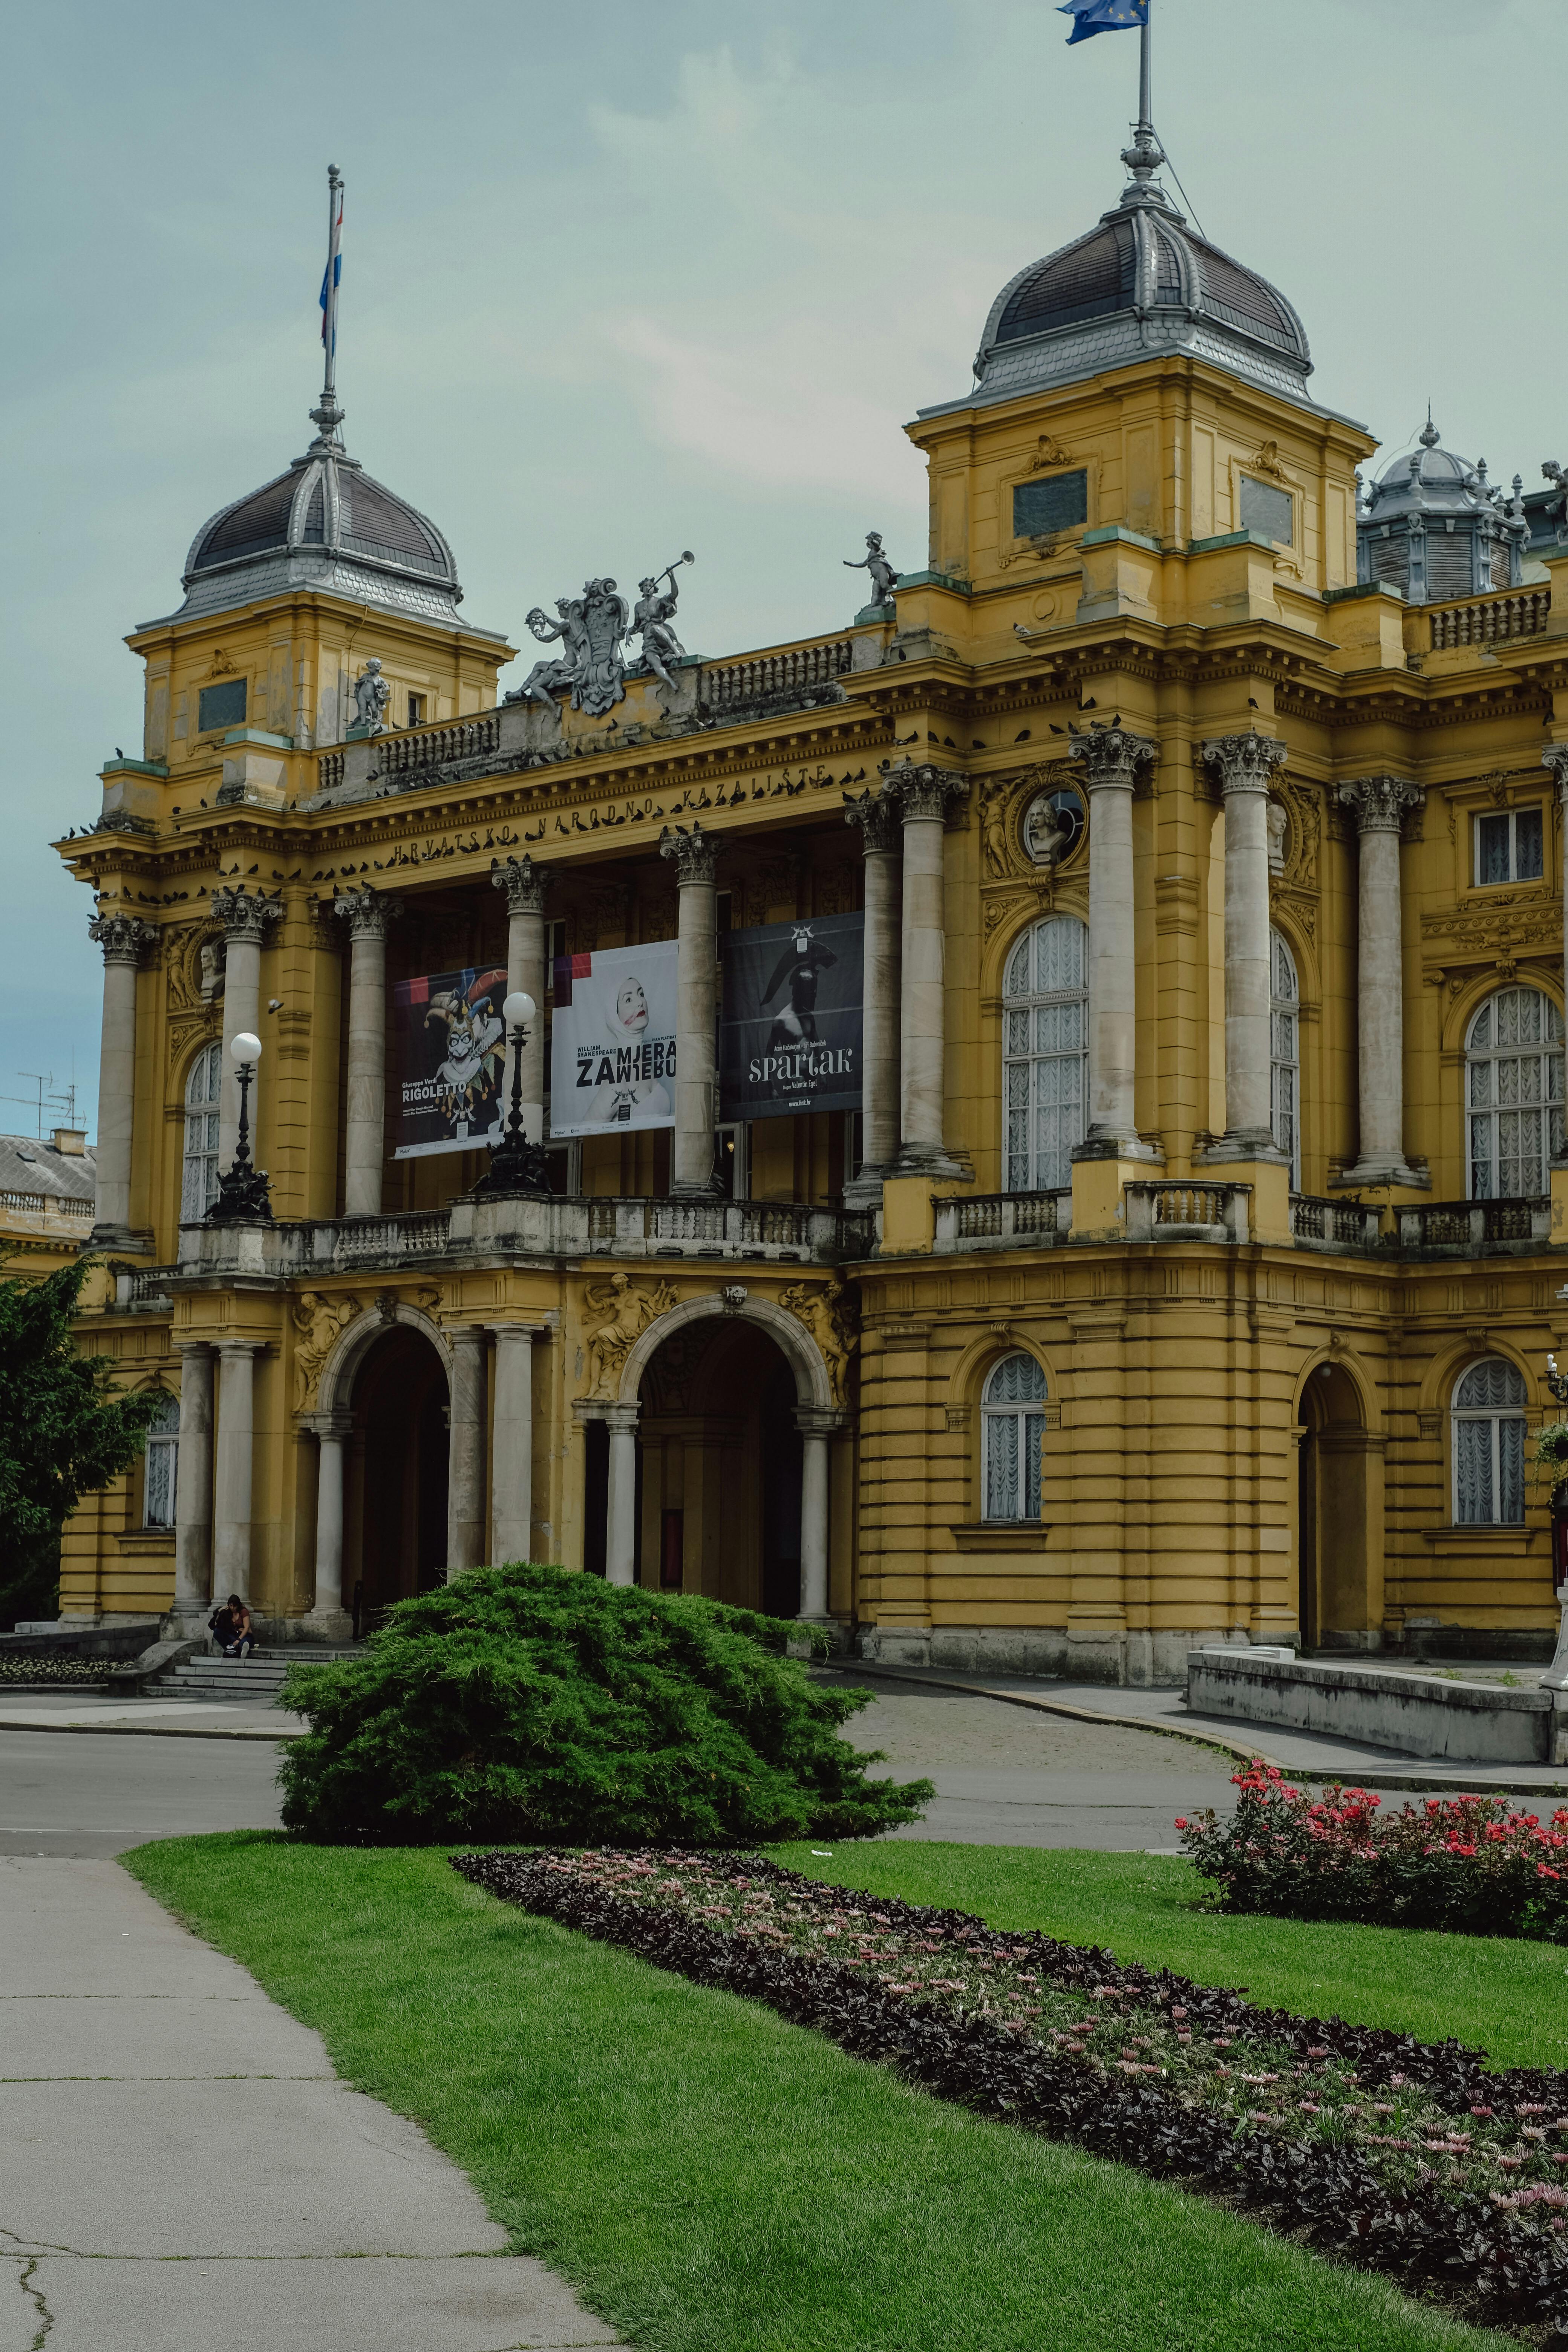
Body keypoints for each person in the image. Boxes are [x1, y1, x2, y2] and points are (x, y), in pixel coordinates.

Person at [208, 1594, 256, 1659]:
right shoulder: (227, 1612)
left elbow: (247, 1627)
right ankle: (231, 1649)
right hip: (233, 1635)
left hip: (244, 1635)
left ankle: (242, 1649)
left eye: (235, 1606)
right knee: (217, 1632)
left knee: (245, 1642)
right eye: (231, 1606)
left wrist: (239, 1640)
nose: (233, 1608)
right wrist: (220, 1611)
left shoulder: (244, 1612)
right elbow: (214, 1625)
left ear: (238, 1605)